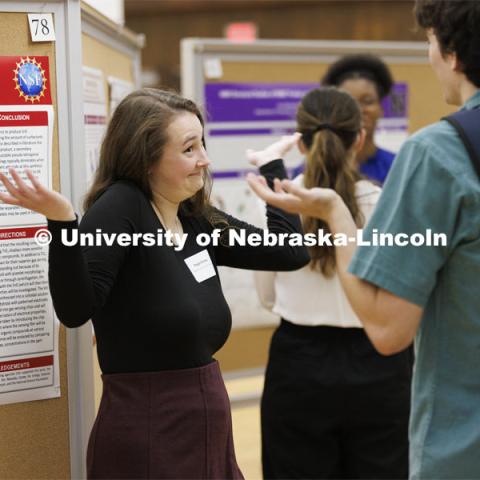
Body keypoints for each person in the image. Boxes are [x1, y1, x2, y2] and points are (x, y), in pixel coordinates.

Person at [0, 89, 310, 479]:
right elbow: (76, 309)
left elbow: (290, 252)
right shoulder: (121, 208)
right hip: (148, 429)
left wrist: (273, 168)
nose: (205, 159)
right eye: (189, 149)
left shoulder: (195, 218)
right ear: (146, 159)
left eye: (202, 143)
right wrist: (63, 223)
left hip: (208, 425)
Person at [247, 1, 480, 478]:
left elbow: (272, 295)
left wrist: (332, 212)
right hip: (380, 374)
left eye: (430, 42)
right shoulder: (394, 188)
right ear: (357, 136)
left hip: (308, 358)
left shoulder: (433, 158)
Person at [253, 87, 410, 479]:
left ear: (301, 143)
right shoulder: (389, 203)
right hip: (380, 363)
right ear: (359, 138)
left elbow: (266, 295)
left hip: (299, 363)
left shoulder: (273, 203)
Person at [293, 54, 395, 184]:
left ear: (381, 108)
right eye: (349, 102)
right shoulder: (309, 170)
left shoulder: (397, 166)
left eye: (367, 101)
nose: (358, 110)